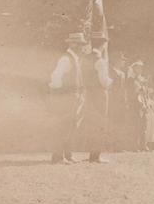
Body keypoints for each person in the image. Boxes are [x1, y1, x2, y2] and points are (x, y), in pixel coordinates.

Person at [48, 32, 87, 164]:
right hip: (67, 97)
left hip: (75, 97)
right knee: (63, 126)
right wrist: (62, 94)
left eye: (83, 45)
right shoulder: (66, 59)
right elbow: (55, 77)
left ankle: (68, 155)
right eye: (80, 45)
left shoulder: (75, 59)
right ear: (73, 44)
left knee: (72, 126)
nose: (82, 47)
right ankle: (58, 157)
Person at [81, 31, 114, 163]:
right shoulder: (100, 61)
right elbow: (104, 81)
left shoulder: (86, 58)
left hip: (89, 93)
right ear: (102, 45)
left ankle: (92, 154)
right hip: (99, 94)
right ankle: (95, 156)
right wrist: (112, 82)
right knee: (100, 123)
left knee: (91, 122)